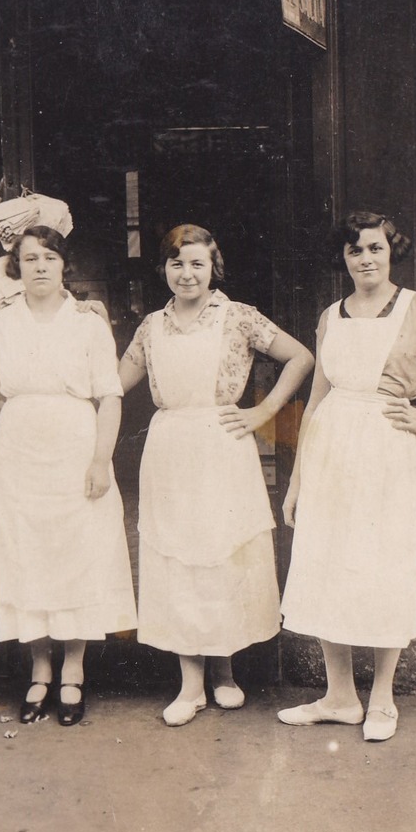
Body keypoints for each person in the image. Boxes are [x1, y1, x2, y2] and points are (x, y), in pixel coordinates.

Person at [279, 211, 416, 741]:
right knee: (326, 565)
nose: (365, 259)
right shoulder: (329, 316)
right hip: (330, 451)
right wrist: (296, 482)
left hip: (388, 450)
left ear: (392, 252)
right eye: (354, 251)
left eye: (374, 249)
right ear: (343, 259)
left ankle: (383, 697)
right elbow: (316, 400)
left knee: (385, 563)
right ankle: (339, 697)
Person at [119, 224, 314, 726]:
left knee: (222, 557)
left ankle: (225, 673)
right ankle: (190, 686)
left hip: (222, 445)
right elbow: (112, 383)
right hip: (170, 448)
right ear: (164, 268)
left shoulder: (239, 317)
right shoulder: (150, 327)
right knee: (181, 560)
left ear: (213, 267)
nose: (187, 274)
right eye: (177, 264)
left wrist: (262, 413)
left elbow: (301, 357)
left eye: (197, 264)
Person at [0, 225, 137, 726]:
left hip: (75, 446)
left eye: (49, 257)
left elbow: (110, 395)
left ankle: (73, 671)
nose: (39, 266)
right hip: (18, 451)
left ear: (64, 265)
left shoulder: (88, 323)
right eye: (29, 258)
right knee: (26, 557)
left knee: (77, 554)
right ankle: (39, 668)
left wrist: (99, 459)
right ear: (15, 268)